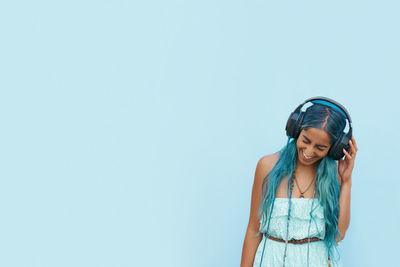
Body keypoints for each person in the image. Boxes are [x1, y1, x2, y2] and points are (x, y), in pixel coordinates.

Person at [240, 97, 358, 267]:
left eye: (321, 147)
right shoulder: (267, 166)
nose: (309, 151)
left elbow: (339, 234)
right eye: (306, 140)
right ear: (296, 130)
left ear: (335, 148)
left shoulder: (335, 175)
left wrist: (346, 181)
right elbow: (253, 229)